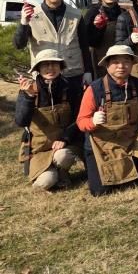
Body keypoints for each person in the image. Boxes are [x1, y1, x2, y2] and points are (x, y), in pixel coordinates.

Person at [77, 45, 138, 196]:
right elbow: (81, 121)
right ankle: (128, 175)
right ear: (107, 65)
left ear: (132, 64)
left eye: (126, 62)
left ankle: (137, 172)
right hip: (102, 146)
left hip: (131, 140)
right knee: (99, 191)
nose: (121, 66)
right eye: (116, 62)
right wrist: (92, 121)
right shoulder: (94, 89)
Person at [15, 50, 81, 190]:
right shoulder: (29, 88)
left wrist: (65, 138)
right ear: (38, 68)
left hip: (65, 145)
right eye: (45, 64)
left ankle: (62, 172)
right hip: (39, 149)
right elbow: (21, 121)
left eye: (54, 64)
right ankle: (52, 174)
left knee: (64, 156)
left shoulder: (71, 87)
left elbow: (78, 118)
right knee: (45, 183)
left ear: (60, 67)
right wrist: (28, 97)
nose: (50, 68)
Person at [14, 0, 91, 91]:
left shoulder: (76, 14)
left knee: (74, 103)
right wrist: (24, 22)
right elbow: (19, 45)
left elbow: (84, 45)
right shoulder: (32, 14)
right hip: (44, 74)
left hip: (73, 73)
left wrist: (88, 71)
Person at [81, 0, 124, 77]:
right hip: (98, 59)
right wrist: (98, 28)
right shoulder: (92, 12)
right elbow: (85, 40)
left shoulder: (123, 13)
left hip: (119, 59)